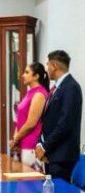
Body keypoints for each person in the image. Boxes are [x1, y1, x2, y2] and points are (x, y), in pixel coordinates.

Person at [37, 50, 83, 182]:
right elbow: (47, 120)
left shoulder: (71, 87)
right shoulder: (57, 87)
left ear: (54, 66)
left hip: (62, 156)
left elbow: (65, 124)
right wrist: (40, 143)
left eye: (47, 65)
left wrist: (45, 147)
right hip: (52, 153)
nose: (46, 69)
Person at [9, 62, 50, 168]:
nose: (23, 75)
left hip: (31, 144)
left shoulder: (39, 94)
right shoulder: (30, 93)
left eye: (27, 72)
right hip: (22, 143)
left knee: (30, 182)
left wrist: (15, 139)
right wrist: (16, 139)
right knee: (22, 182)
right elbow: (20, 119)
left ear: (36, 76)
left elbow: (31, 123)